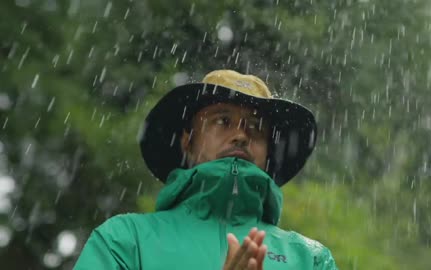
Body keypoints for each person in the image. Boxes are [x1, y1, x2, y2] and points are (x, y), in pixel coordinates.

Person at [74, 70, 337, 269]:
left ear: (268, 151)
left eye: (255, 127)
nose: (240, 136)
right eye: (223, 121)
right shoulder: (125, 240)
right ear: (188, 140)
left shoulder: (310, 259)